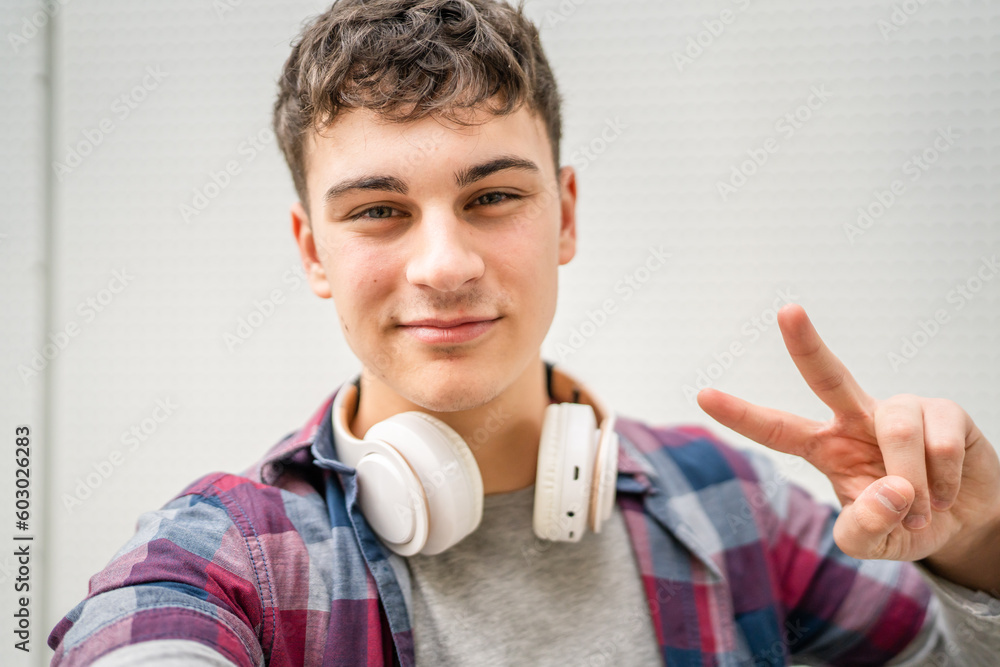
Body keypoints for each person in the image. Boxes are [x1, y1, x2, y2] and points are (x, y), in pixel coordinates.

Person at [48, 0, 1000, 665]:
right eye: (378, 210)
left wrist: (980, 545)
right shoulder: (221, 560)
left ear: (566, 214)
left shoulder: (731, 502)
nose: (443, 265)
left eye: (493, 196)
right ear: (312, 251)